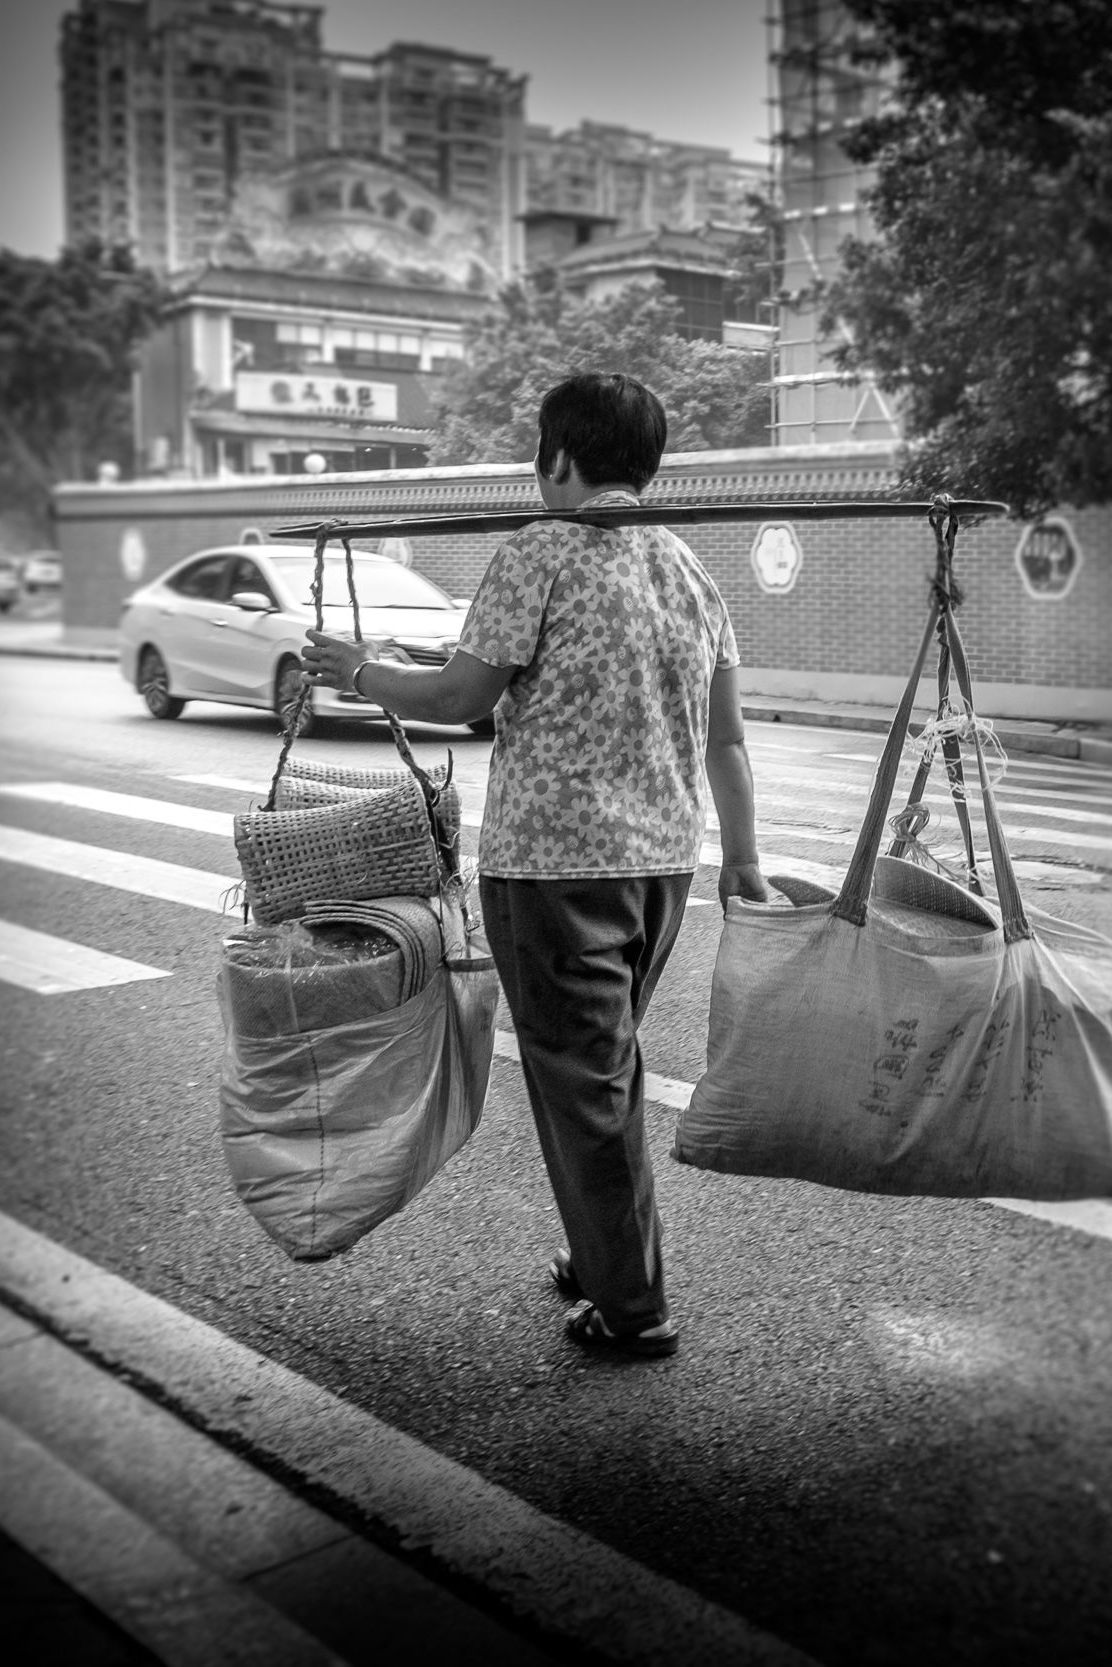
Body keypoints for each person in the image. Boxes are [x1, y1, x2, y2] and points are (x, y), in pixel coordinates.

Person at [297, 374, 772, 1357]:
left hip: (552, 873)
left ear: (558, 458)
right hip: (660, 869)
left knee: (587, 1083)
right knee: (597, 1073)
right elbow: (726, 740)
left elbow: (462, 691)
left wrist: (359, 672)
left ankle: (632, 1306)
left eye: (538, 452)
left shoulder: (538, 552)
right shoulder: (691, 569)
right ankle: (602, 1253)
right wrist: (743, 861)